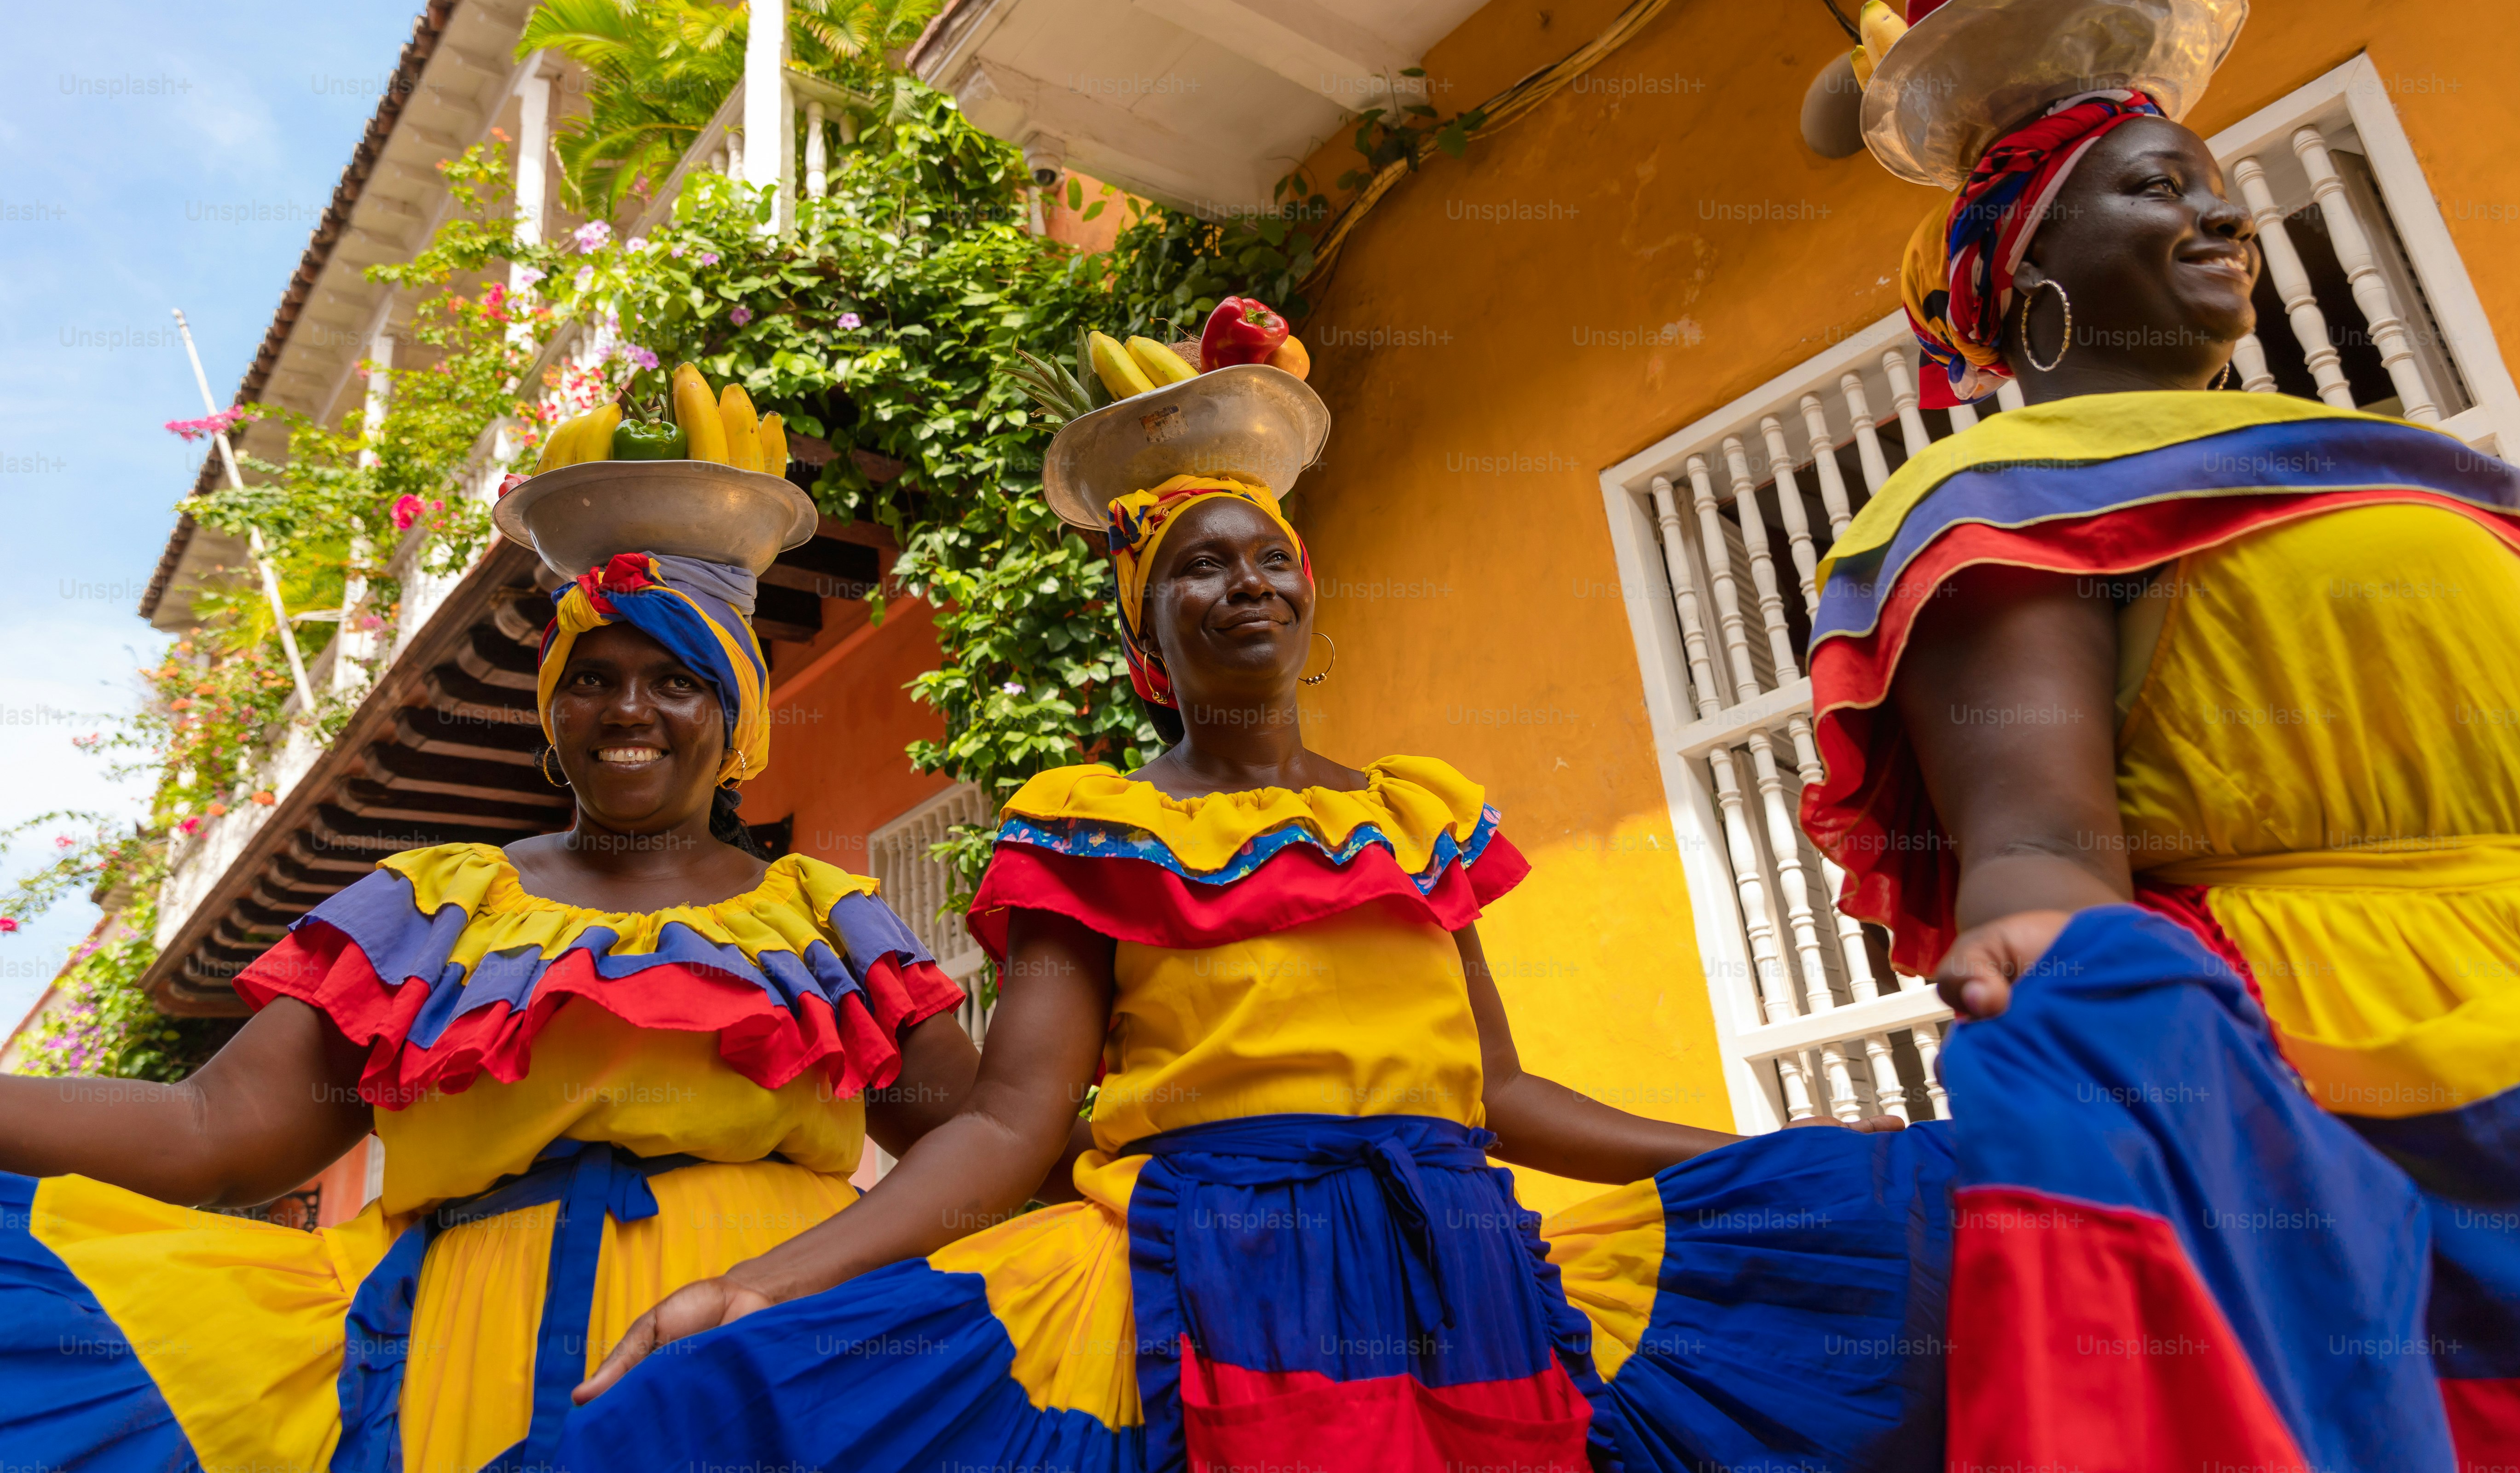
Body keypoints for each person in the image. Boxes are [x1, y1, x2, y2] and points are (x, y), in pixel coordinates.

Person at [555, 388, 1969, 1473]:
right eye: (1196, 567)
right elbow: (1005, 1129)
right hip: (1206, 1267)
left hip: (1454, 1257)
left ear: (1306, 596)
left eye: (1266, 557)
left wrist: (1751, 1159)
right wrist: (758, 1284)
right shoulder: (1087, 828)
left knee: (1921, 1233)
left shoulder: (1413, 816)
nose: (1243, 582)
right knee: (737, 1409)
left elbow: (1496, 1091)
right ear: (1143, 640)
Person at [1803, 0, 2515, 1465]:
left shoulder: (2379, 456)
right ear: (2026, 267)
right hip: (2355, 1080)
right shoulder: (1992, 500)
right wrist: (2060, 1016)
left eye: (2218, 192)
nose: (2219, 220)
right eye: (2151, 189)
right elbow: (2041, 846)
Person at [0, 544, 976, 1472]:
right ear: (552, 709)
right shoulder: (438, 904)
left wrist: (806, 1281)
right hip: (467, 1357)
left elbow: (983, 1143)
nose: (629, 708)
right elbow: (210, 1128)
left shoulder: (824, 918)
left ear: (737, 718)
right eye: (591, 679)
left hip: (771, 1365)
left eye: (676, 679)